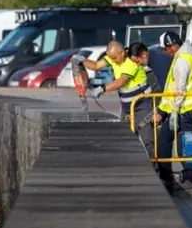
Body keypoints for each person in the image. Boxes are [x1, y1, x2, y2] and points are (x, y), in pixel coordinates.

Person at [71, 41, 168, 189]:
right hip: (128, 108)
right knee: (126, 140)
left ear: (122, 53)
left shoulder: (131, 62)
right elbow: (96, 66)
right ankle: (129, 175)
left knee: (149, 141)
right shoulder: (114, 57)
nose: (113, 61)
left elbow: (121, 81)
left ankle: (156, 178)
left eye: (115, 58)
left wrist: (101, 89)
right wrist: (81, 59)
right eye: (112, 58)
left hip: (143, 106)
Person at [154, 31, 192, 190]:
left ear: (173, 46)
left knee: (168, 141)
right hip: (191, 108)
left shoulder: (182, 60)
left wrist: (172, 112)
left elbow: (179, 89)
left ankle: (169, 178)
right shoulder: (191, 54)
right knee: (186, 145)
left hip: (184, 110)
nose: (165, 52)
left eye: (165, 49)